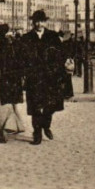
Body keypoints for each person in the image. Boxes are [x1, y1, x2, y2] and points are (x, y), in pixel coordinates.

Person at [21, 10, 65, 146]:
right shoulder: (26, 38)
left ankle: (46, 125)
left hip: (50, 77)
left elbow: (60, 56)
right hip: (33, 77)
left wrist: (58, 71)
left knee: (49, 105)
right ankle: (37, 133)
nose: (39, 24)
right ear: (33, 22)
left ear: (46, 22)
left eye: (41, 21)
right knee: (35, 105)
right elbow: (21, 57)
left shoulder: (53, 37)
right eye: (36, 21)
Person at [61, 33, 76, 100]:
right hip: (68, 62)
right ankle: (69, 93)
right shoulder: (69, 43)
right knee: (68, 78)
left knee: (66, 78)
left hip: (66, 63)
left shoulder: (65, 44)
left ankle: (67, 93)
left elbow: (64, 54)